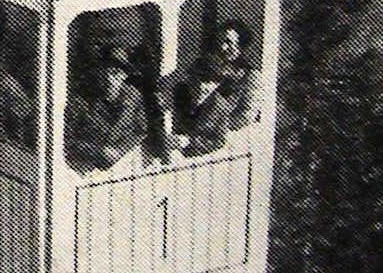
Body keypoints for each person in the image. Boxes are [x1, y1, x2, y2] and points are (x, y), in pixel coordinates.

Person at [169, 20, 259, 156]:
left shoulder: (251, 76)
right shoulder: (207, 66)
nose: (223, 47)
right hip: (190, 132)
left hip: (224, 142)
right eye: (221, 42)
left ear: (241, 46)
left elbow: (247, 115)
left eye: (229, 42)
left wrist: (215, 125)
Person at [65, 43, 153, 173]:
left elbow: (141, 132)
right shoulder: (82, 100)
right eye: (103, 73)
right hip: (85, 171)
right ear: (97, 73)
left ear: (124, 76)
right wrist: (97, 151)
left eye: (115, 73)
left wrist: (120, 150)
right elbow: (65, 140)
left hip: (123, 168)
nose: (109, 80)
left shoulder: (134, 97)